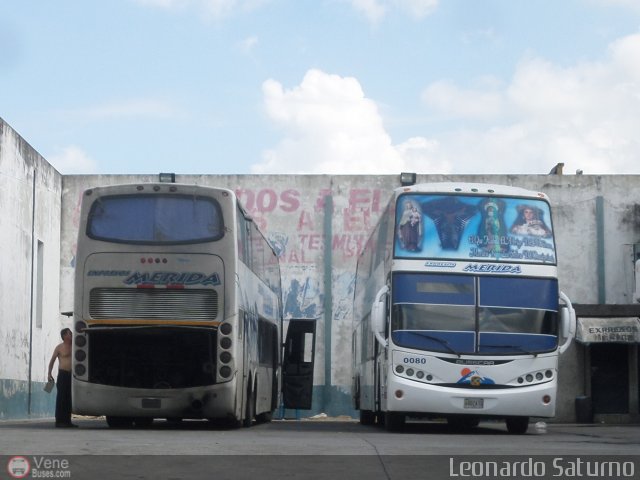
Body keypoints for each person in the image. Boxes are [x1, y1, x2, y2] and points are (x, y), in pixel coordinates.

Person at [48, 328, 77, 428]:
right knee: (61, 398)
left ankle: (67, 421)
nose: (72, 334)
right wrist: (49, 373)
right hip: (63, 374)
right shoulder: (59, 347)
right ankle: (59, 421)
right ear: (65, 336)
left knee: (69, 398)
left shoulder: (75, 346)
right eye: (70, 333)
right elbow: (52, 361)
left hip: (72, 375)